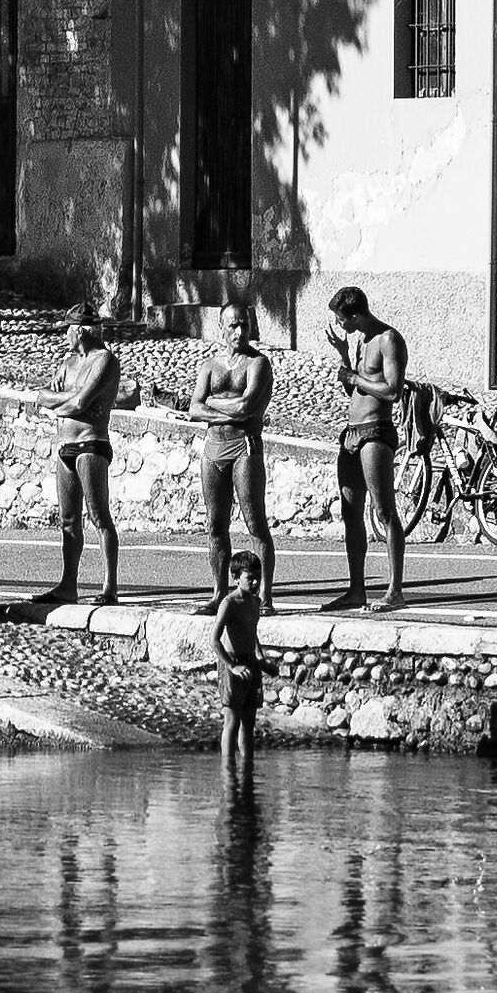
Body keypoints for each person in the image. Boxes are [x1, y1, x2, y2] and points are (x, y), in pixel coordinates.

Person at [186, 302, 277, 615]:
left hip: (243, 446)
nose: (239, 332)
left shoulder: (258, 364)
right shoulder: (210, 365)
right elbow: (193, 409)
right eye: (233, 325)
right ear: (221, 328)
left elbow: (245, 408)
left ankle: (264, 597)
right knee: (214, 524)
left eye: (244, 325)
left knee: (254, 522)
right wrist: (216, 405)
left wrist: (210, 402)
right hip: (213, 448)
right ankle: (218, 593)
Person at [29, 303, 121, 606]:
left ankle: (110, 587)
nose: (66, 336)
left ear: (79, 330)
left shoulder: (104, 360)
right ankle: (68, 584)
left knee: (99, 516)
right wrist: (68, 398)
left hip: (91, 443)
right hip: (65, 447)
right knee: (68, 519)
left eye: (68, 329)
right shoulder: (69, 363)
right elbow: (42, 395)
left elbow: (79, 404)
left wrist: (65, 400)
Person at [321, 286, 406, 613]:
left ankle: (394, 591)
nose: (339, 324)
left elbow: (392, 390)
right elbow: (353, 389)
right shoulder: (358, 340)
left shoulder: (388, 340)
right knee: (350, 513)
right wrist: (345, 356)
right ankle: (356, 589)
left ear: (355, 314)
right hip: (351, 432)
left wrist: (355, 376)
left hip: (376, 432)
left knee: (384, 512)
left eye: (341, 319)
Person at [214, 548, 266, 775]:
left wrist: (261, 659)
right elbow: (214, 639)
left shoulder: (255, 602)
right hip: (233, 665)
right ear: (236, 578)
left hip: (250, 664)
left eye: (258, 577)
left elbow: (252, 632)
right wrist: (231, 666)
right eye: (249, 578)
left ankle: (247, 770)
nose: (255, 582)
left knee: (249, 722)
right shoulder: (230, 602)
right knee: (232, 722)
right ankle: (228, 772)